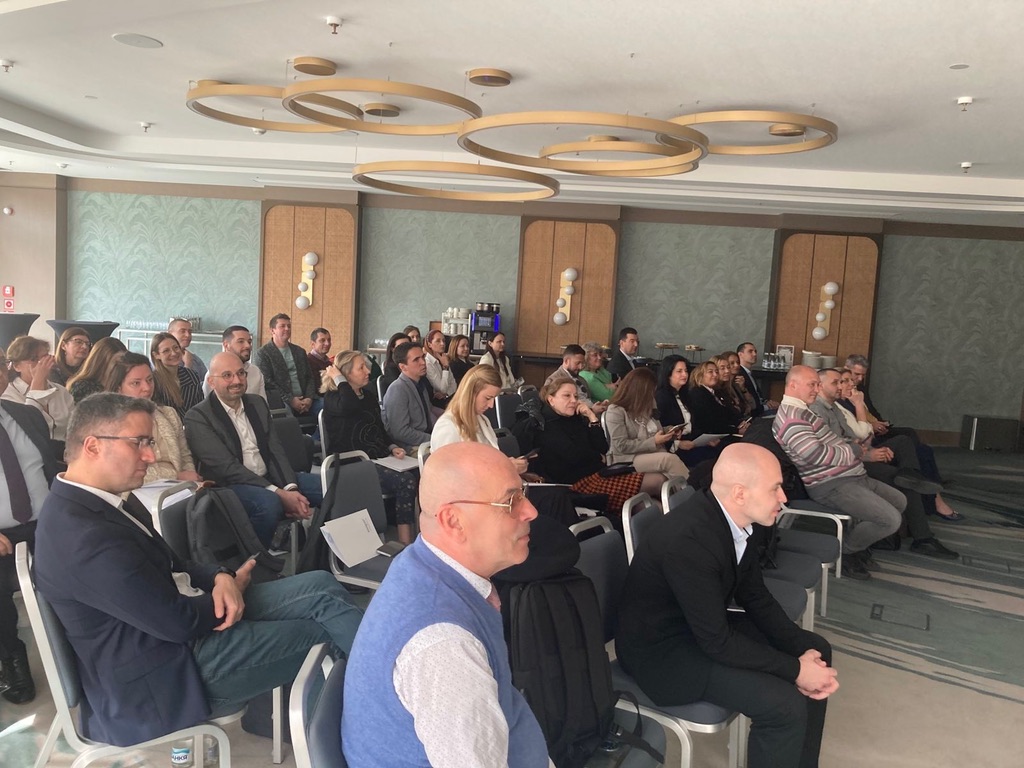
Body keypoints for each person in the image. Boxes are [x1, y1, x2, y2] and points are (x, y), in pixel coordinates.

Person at [33, 393, 362, 747]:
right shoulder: (81, 535)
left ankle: (359, 707)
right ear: (93, 446)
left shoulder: (103, 501)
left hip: (182, 627)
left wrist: (220, 576)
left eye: (149, 442)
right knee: (321, 633)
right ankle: (344, 738)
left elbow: (175, 564)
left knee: (320, 586)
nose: (151, 456)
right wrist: (232, 591)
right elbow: (176, 623)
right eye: (138, 442)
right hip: (165, 675)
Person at [615, 443, 838, 768]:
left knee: (816, 648)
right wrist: (795, 669)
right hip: (660, 654)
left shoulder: (738, 521)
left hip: (697, 628)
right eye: (775, 488)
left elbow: (755, 596)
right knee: (783, 705)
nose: (783, 498)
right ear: (739, 493)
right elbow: (717, 641)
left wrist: (799, 651)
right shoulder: (689, 541)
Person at [342, 442, 551, 768]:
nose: (530, 511)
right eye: (511, 501)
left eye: (523, 493)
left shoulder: (419, 562)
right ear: (453, 522)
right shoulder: (445, 648)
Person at [773, 365, 905, 579]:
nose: (817, 389)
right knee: (890, 520)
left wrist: (852, 447)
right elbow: (814, 455)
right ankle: (847, 552)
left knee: (899, 501)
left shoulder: (804, 410)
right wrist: (853, 450)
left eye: (818, 384)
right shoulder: (792, 418)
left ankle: (858, 544)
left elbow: (831, 442)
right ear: (793, 385)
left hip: (850, 475)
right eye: (812, 384)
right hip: (831, 484)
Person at [810, 369, 957, 558]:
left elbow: (854, 437)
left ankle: (910, 475)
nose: (846, 385)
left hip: (856, 458)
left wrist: (866, 447)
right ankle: (922, 538)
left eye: (845, 381)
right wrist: (867, 454)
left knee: (905, 451)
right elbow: (839, 446)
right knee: (902, 480)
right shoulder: (820, 410)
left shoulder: (835, 407)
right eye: (839, 382)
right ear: (820, 386)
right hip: (846, 467)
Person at [185, 352, 322, 548]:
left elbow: (275, 450)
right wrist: (279, 494)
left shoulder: (257, 403)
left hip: (270, 477)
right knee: (269, 504)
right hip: (231, 485)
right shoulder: (198, 417)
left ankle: (319, 554)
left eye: (241, 373)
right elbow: (227, 468)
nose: (236, 380)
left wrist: (290, 488)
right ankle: (256, 558)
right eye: (227, 375)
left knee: (329, 487)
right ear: (211, 382)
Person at [0, 349, 58, 705]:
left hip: (47, 524)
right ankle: (11, 659)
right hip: (2, 536)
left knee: (98, 558)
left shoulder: (25, 415)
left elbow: (52, 468)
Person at [513, 377, 656, 514]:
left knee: (651, 500)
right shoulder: (545, 425)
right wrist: (596, 456)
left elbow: (602, 447)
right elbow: (574, 456)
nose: (573, 400)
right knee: (654, 486)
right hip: (576, 484)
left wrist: (591, 416)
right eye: (567, 396)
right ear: (551, 400)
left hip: (596, 474)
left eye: (575, 396)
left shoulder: (575, 419)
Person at [321, 350, 418, 544]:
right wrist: (339, 379)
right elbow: (349, 406)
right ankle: (404, 541)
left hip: (378, 459)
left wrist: (391, 446)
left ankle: (418, 535)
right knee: (405, 481)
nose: (367, 371)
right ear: (346, 374)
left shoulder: (368, 396)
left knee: (419, 472)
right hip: (353, 464)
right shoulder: (333, 398)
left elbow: (379, 428)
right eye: (361, 368)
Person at [104, 352, 202, 485]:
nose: (147, 388)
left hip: (179, 488)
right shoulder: (109, 422)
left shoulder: (168, 414)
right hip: (133, 490)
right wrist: (176, 476)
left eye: (150, 380)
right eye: (136, 383)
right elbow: (119, 469)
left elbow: (185, 457)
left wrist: (191, 482)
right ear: (118, 388)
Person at [604, 367, 689, 481]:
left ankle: (686, 488)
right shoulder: (616, 411)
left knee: (671, 469)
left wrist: (669, 431)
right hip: (628, 458)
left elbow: (654, 430)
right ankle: (693, 487)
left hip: (653, 452)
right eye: (650, 391)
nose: (653, 395)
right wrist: (654, 441)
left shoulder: (648, 405)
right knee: (669, 460)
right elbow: (621, 445)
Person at [2, 336, 74, 443]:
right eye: (33, 359)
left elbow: (74, 427)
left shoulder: (61, 391)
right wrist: (37, 384)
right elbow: (26, 429)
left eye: (45, 357)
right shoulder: (7, 394)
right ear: (17, 366)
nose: (41, 363)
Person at [654, 354, 720, 467]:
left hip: (691, 441)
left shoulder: (685, 395)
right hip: (673, 447)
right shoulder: (661, 397)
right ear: (668, 374)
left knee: (720, 451)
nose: (684, 374)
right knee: (710, 459)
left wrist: (706, 439)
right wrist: (678, 443)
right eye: (679, 371)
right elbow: (658, 428)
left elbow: (692, 424)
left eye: (685, 371)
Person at [381, 343, 443, 453]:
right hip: (410, 447)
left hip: (425, 441)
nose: (423, 362)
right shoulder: (398, 389)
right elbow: (400, 432)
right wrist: (434, 438)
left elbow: (429, 409)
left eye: (423, 357)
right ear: (402, 367)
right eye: (416, 360)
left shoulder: (420, 384)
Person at [430, 364, 504, 453]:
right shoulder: (447, 427)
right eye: (487, 398)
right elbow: (443, 462)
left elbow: (492, 455)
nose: (491, 405)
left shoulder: (483, 420)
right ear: (471, 393)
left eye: (494, 398)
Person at [255, 313, 317, 416]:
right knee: (287, 416)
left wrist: (309, 398)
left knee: (327, 408)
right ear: (272, 330)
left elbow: (309, 377)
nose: (287, 329)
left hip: (305, 399)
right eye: (282, 326)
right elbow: (268, 382)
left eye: (289, 326)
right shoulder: (263, 353)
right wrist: (291, 400)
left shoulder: (299, 351)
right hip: (281, 401)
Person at [203, 325, 268, 401]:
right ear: (226, 345)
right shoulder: (214, 374)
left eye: (249, 342)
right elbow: (208, 404)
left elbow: (262, 403)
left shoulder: (255, 372)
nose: (248, 346)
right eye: (241, 341)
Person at [149, 332, 204, 418]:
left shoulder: (191, 375)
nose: (174, 353)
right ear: (156, 355)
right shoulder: (153, 381)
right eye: (166, 351)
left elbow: (200, 408)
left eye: (176, 348)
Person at [689, 361, 748, 438]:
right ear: (700, 375)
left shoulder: (716, 392)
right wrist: (737, 430)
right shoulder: (698, 393)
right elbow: (710, 422)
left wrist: (740, 423)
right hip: (709, 436)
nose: (715, 375)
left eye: (716, 372)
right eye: (710, 372)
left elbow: (726, 413)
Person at [543, 343, 607, 413]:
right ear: (566, 361)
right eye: (577, 363)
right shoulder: (553, 380)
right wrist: (591, 410)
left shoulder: (581, 379)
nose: (581, 367)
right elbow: (551, 409)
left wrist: (597, 406)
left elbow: (587, 399)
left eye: (582, 363)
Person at [67, 337, 128, 404]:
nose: (119, 368)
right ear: (100, 362)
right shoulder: (83, 387)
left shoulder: (123, 384)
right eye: (115, 363)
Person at [736, 342, 779, 415]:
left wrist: (766, 402)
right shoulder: (739, 374)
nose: (755, 354)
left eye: (755, 351)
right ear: (740, 354)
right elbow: (750, 404)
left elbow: (757, 396)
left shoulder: (749, 373)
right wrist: (767, 407)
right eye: (750, 351)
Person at [423, 329, 457, 405]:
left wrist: (446, 394)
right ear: (429, 344)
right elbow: (442, 389)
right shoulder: (427, 363)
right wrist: (445, 368)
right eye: (438, 341)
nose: (442, 344)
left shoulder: (443, 358)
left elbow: (454, 385)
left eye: (443, 341)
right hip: (435, 403)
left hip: (447, 399)